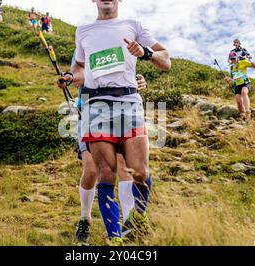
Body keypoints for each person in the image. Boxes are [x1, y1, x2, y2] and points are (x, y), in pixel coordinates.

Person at [58, 0, 171, 245]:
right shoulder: (84, 30)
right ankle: (115, 240)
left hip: (128, 102)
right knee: (104, 173)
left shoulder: (134, 25)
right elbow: (79, 69)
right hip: (95, 106)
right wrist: (70, 77)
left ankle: (136, 221)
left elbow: (166, 60)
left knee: (138, 171)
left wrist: (145, 53)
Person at [66, 73, 148, 245]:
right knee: (91, 170)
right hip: (91, 114)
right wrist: (70, 78)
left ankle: (128, 229)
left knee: (125, 168)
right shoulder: (85, 47)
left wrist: (138, 81)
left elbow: (128, 75)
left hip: (122, 111)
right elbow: (78, 74)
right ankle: (85, 219)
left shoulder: (123, 49)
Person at [225, 52, 255, 121]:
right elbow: (233, 78)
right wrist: (228, 80)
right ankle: (242, 115)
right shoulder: (231, 68)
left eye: (234, 58)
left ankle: (247, 111)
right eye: (231, 59)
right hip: (237, 85)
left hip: (245, 82)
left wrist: (254, 65)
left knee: (244, 92)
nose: (233, 60)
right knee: (238, 100)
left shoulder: (243, 62)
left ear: (237, 57)